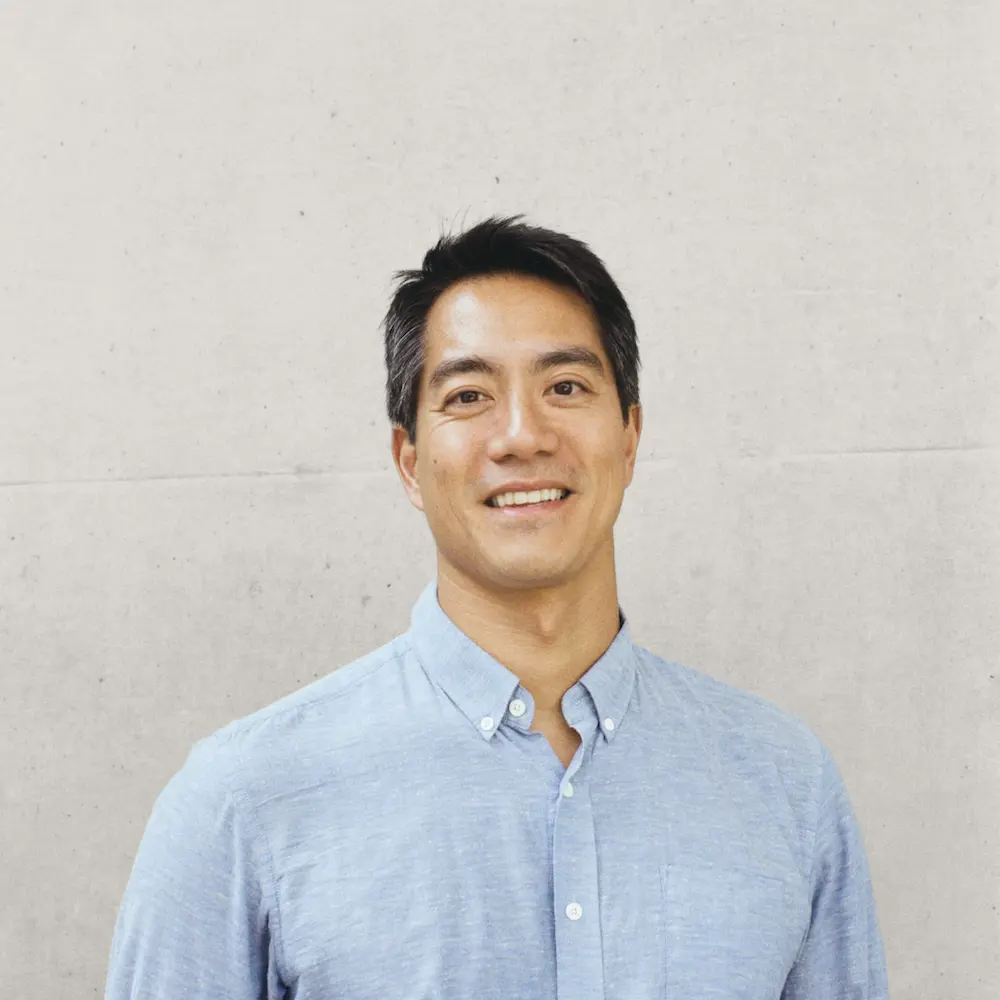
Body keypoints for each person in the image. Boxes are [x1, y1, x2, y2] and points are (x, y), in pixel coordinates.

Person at [104, 215, 890, 999]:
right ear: (410, 462)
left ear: (630, 437)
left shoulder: (784, 783)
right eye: (470, 395)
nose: (521, 435)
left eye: (566, 387)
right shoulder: (245, 801)